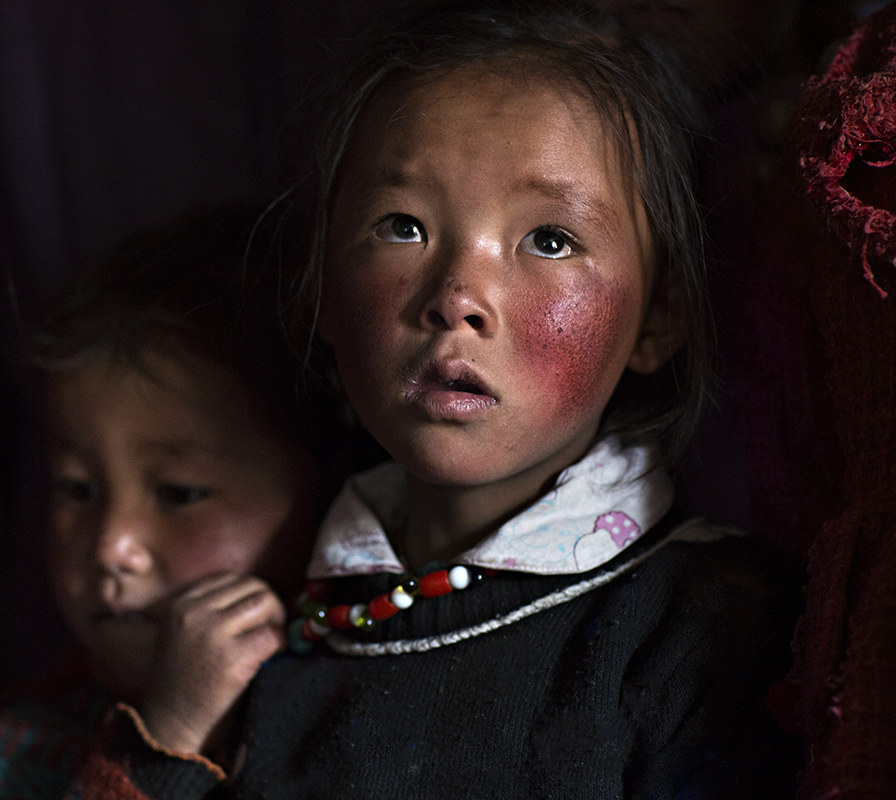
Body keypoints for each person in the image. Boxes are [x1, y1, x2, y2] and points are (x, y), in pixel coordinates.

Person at [96, 2, 802, 797]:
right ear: (323, 288)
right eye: (403, 226)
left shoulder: (704, 631)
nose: (458, 297)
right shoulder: (262, 640)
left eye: (550, 240)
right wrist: (167, 749)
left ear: (661, 312)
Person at [0, 206, 348, 798]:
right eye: (78, 489)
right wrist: (166, 741)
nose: (111, 546)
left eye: (179, 493)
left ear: (326, 485)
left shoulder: (381, 705)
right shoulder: (15, 753)